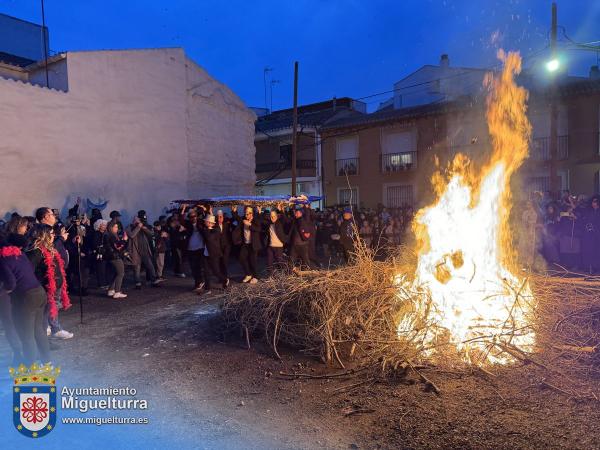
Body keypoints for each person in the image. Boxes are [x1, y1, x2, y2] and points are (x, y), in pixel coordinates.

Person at [0, 237, 50, 365]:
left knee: (26, 335)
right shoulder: (19, 253)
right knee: (38, 330)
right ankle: (47, 363)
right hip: (39, 292)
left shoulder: (2, 261)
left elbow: (11, 284)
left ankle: (30, 367)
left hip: (26, 297)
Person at [26, 224, 73, 340]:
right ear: (44, 235)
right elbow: (29, 271)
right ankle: (44, 339)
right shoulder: (36, 252)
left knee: (52, 308)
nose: (54, 236)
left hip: (55, 285)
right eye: (52, 233)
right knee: (43, 313)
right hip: (44, 288)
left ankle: (52, 330)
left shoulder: (50, 248)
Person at [127, 216, 162, 289]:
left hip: (145, 251)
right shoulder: (129, 227)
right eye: (135, 219)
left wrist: (143, 228)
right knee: (136, 268)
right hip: (135, 251)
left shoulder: (142, 227)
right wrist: (138, 227)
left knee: (151, 267)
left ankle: (154, 281)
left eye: (137, 220)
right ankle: (138, 283)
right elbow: (131, 235)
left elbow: (151, 234)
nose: (136, 221)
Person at [232, 205, 262, 283]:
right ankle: (248, 274)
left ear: (251, 214)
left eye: (248, 214)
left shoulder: (256, 220)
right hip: (245, 244)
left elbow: (258, 229)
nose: (246, 215)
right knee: (241, 258)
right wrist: (234, 211)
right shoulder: (243, 219)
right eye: (245, 214)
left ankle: (256, 277)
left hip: (253, 244)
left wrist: (250, 224)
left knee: (253, 261)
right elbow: (237, 218)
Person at [200, 214, 229, 293]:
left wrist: (206, 229)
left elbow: (209, 238)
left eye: (206, 221)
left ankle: (224, 280)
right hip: (206, 253)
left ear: (210, 223)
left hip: (214, 254)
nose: (204, 223)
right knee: (206, 271)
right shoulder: (206, 229)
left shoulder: (215, 230)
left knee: (216, 271)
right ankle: (207, 288)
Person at [185, 209, 207, 292]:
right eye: (191, 217)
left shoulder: (200, 223)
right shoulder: (188, 225)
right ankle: (197, 282)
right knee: (193, 267)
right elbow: (181, 220)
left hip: (200, 248)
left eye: (194, 216)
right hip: (190, 249)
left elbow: (207, 218)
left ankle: (200, 282)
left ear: (197, 216)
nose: (193, 218)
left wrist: (205, 209)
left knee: (199, 266)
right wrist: (183, 209)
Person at [104, 221, 128, 299]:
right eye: (116, 227)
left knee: (116, 273)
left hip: (111, 256)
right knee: (121, 273)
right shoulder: (111, 236)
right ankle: (117, 291)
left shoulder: (108, 235)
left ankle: (111, 290)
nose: (117, 229)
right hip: (115, 257)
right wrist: (124, 240)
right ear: (111, 228)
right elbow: (118, 246)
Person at [264, 206, 289, 273]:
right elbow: (261, 220)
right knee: (269, 262)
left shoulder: (280, 223)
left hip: (278, 246)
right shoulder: (269, 224)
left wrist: (281, 210)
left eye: (274, 216)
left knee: (280, 261)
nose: (272, 218)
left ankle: (288, 271)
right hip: (270, 246)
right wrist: (259, 211)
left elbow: (285, 219)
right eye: (271, 216)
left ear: (277, 216)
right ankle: (271, 275)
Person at [581, 196, 600, 274]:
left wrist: (595, 228)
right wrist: (587, 226)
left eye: (595, 201)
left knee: (597, 251)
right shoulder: (590, 211)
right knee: (591, 251)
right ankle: (592, 267)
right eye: (592, 201)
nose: (593, 203)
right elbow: (586, 221)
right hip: (590, 235)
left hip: (598, 235)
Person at [92, 219, 109, 289]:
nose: (105, 226)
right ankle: (101, 284)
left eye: (105, 225)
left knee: (104, 268)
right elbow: (95, 244)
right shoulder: (96, 234)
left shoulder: (105, 233)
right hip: (99, 254)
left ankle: (104, 282)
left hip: (105, 253)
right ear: (99, 226)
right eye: (103, 225)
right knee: (100, 269)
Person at [215, 210, 233, 279]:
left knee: (224, 261)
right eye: (218, 217)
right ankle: (222, 277)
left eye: (221, 217)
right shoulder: (215, 225)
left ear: (223, 217)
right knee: (220, 262)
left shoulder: (227, 224)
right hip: (219, 246)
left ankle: (225, 277)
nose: (220, 218)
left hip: (226, 245)